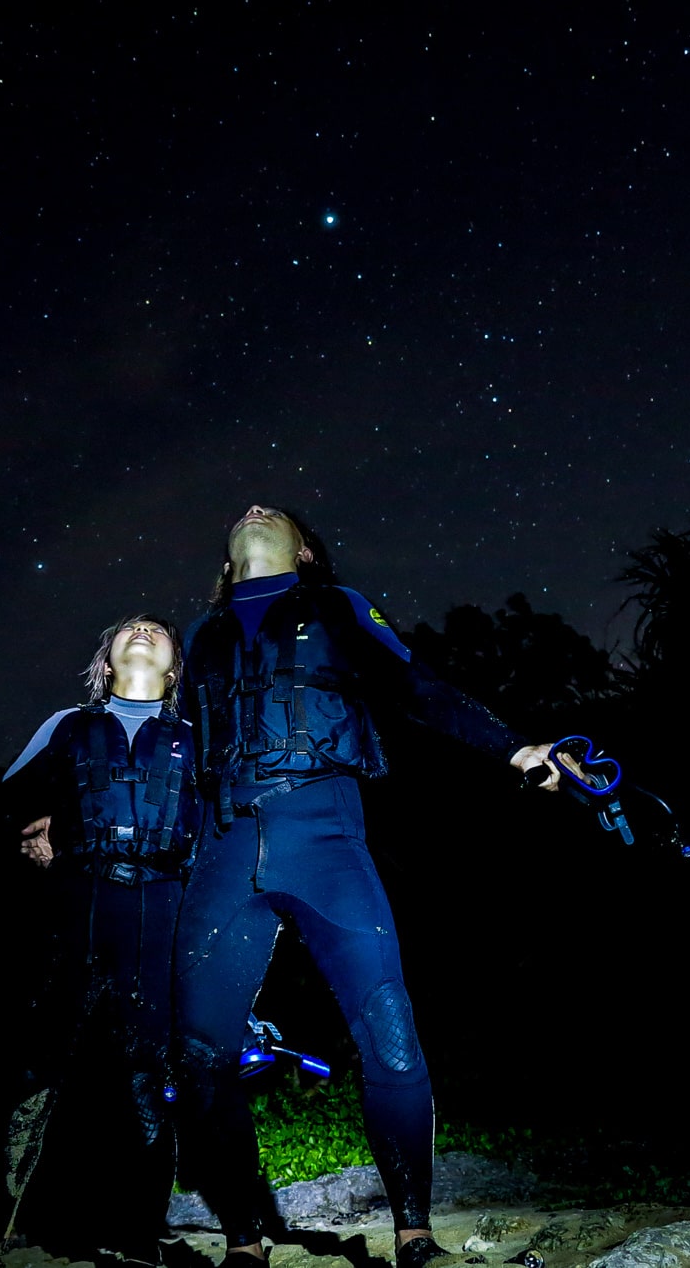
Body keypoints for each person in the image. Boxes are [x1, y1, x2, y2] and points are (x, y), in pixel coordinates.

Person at [173, 506, 559, 1268]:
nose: (256, 508)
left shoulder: (338, 605)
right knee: (197, 1051)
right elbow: (173, 750)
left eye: (278, 514)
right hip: (222, 850)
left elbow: (417, 686)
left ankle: (414, 1236)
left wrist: (516, 748)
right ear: (224, 565)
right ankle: (244, 1243)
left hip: (326, 836)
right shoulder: (198, 635)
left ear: (304, 551)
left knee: (390, 1030)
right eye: (246, 511)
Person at [0, 614, 200, 1268]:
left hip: (162, 912)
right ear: (105, 663)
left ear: (174, 670)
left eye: (157, 630)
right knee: (26, 1064)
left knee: (147, 1074)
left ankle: (139, 1231)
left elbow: (225, 824)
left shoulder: (197, 738)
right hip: (75, 906)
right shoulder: (68, 726)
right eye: (129, 628)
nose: (142, 630)